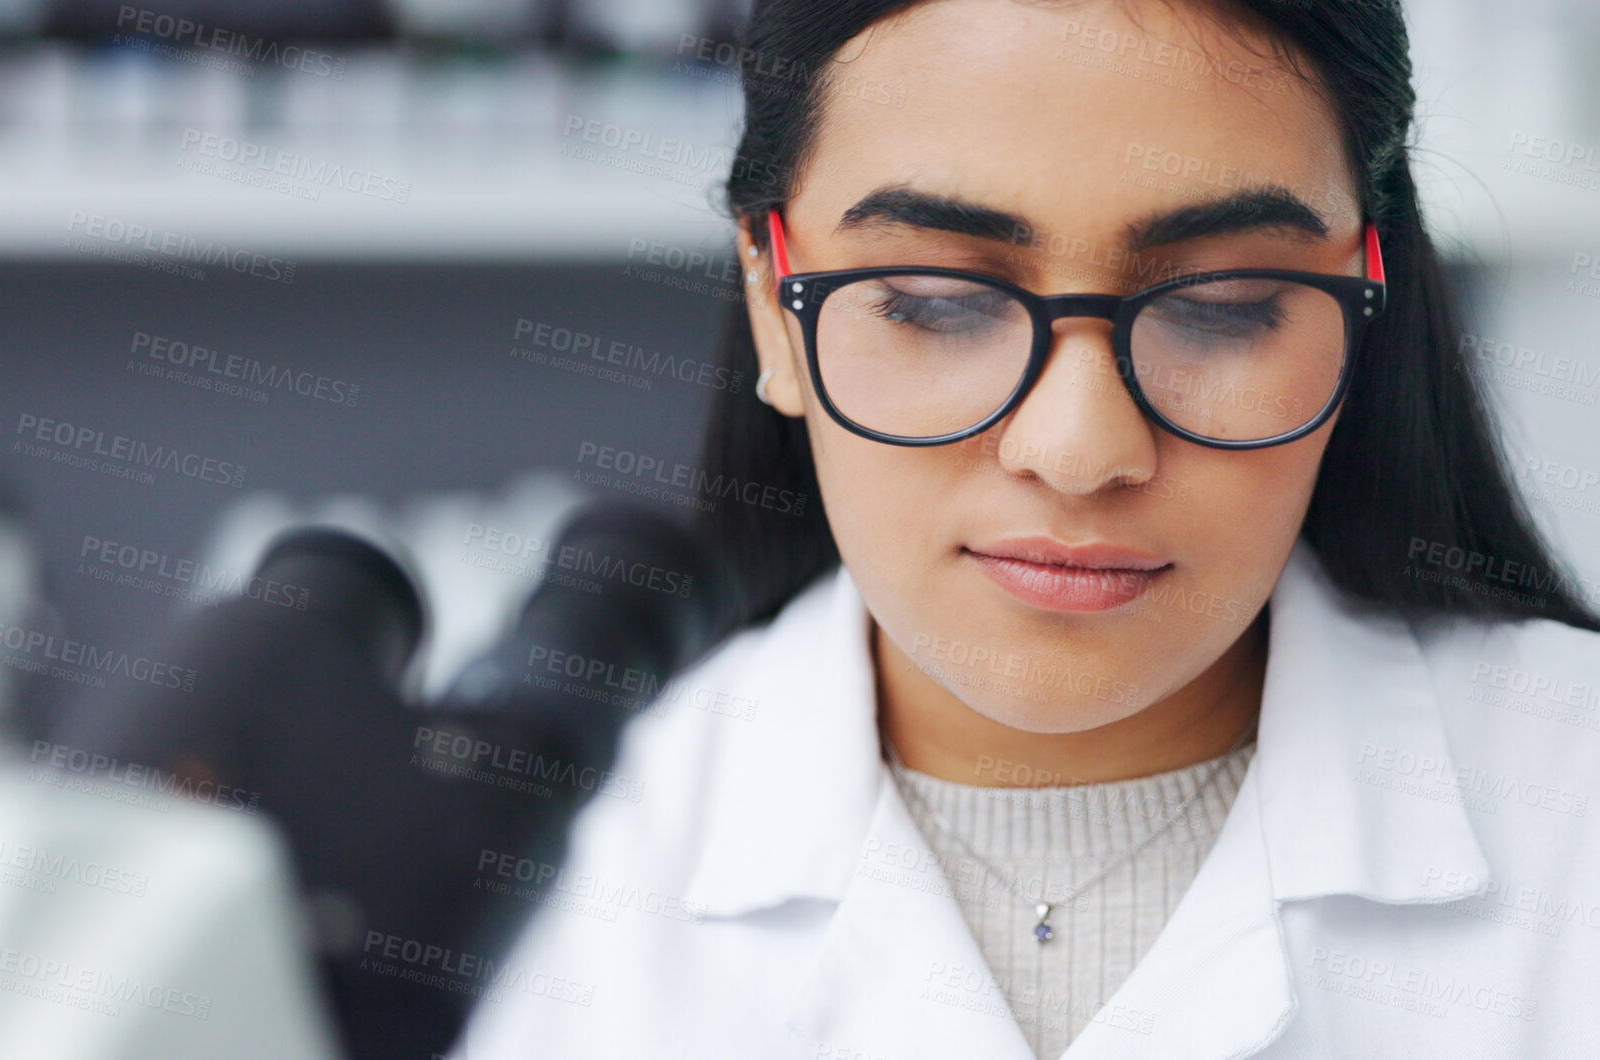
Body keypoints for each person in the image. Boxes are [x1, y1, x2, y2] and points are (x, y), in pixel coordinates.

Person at [456, 1, 1600, 1056]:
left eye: (1222, 306)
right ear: (771, 299)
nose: (1078, 449)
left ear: (1367, 297)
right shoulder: (572, 837)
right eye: (938, 302)